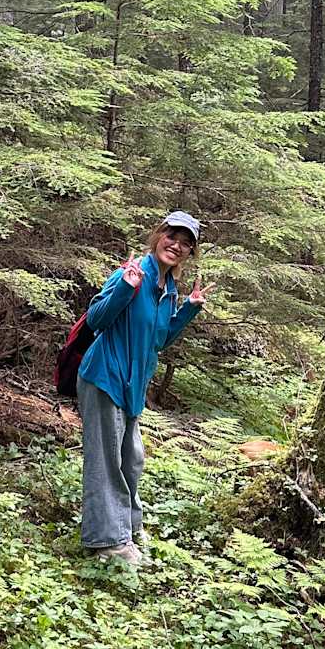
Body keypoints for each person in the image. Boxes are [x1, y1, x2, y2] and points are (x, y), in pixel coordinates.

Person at [76, 210, 212, 564]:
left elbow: (158, 339)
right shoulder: (132, 273)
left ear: (190, 253)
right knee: (106, 462)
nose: (177, 246)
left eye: (186, 244)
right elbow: (96, 319)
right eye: (172, 237)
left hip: (132, 387)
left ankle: (129, 527)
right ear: (158, 236)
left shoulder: (168, 288)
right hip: (105, 376)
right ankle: (108, 541)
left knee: (131, 460)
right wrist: (125, 287)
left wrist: (188, 310)